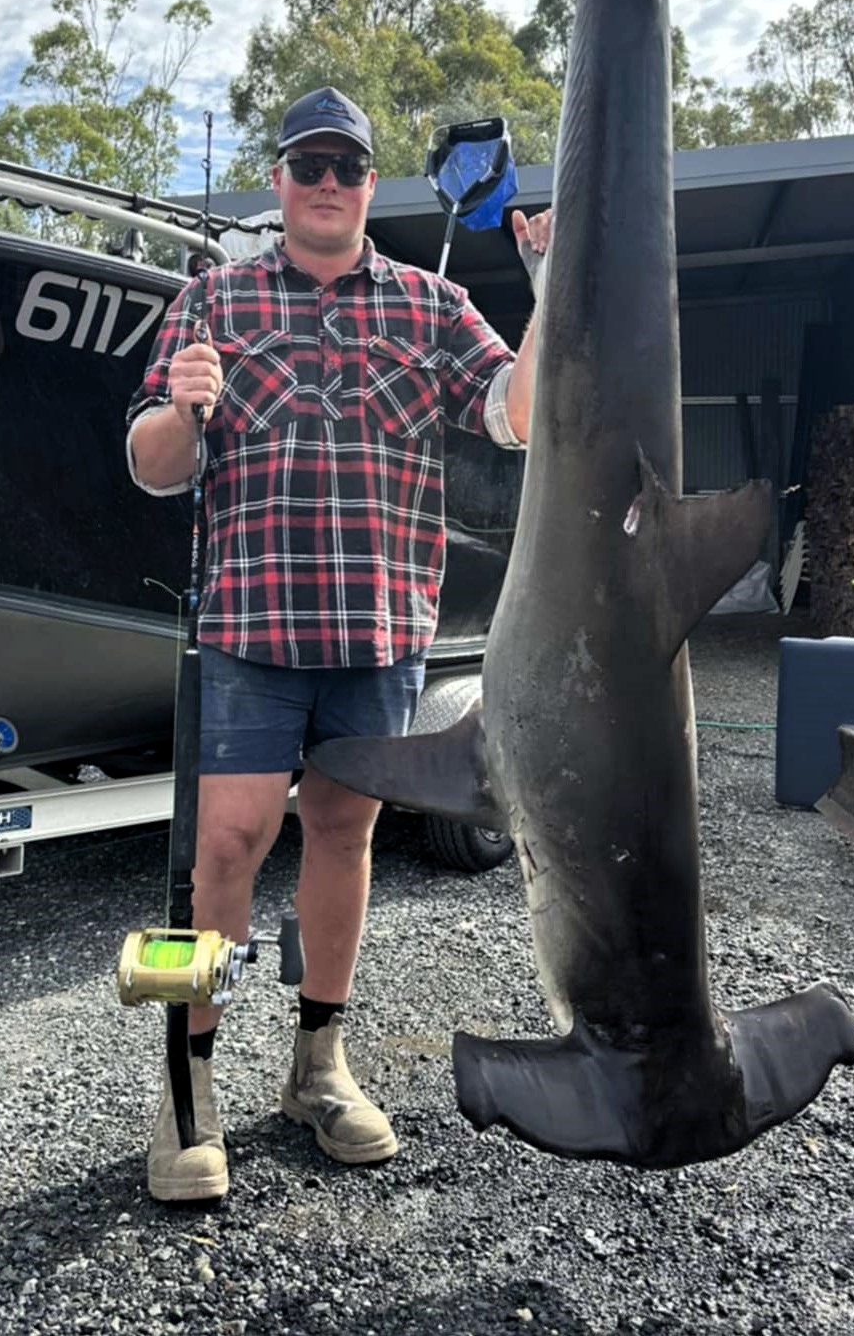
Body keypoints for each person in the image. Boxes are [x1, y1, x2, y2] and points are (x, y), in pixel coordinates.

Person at [126, 84, 550, 1202]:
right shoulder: (210, 300)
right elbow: (151, 467)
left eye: (345, 168)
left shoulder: (430, 302)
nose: (324, 184)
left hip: (377, 629)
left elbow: (521, 413)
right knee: (226, 845)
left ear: (371, 185)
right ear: (278, 179)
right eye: (305, 165)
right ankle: (192, 1080)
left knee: (343, 836)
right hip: (251, 626)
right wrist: (183, 407)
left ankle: (318, 1063)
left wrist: (555, 292)